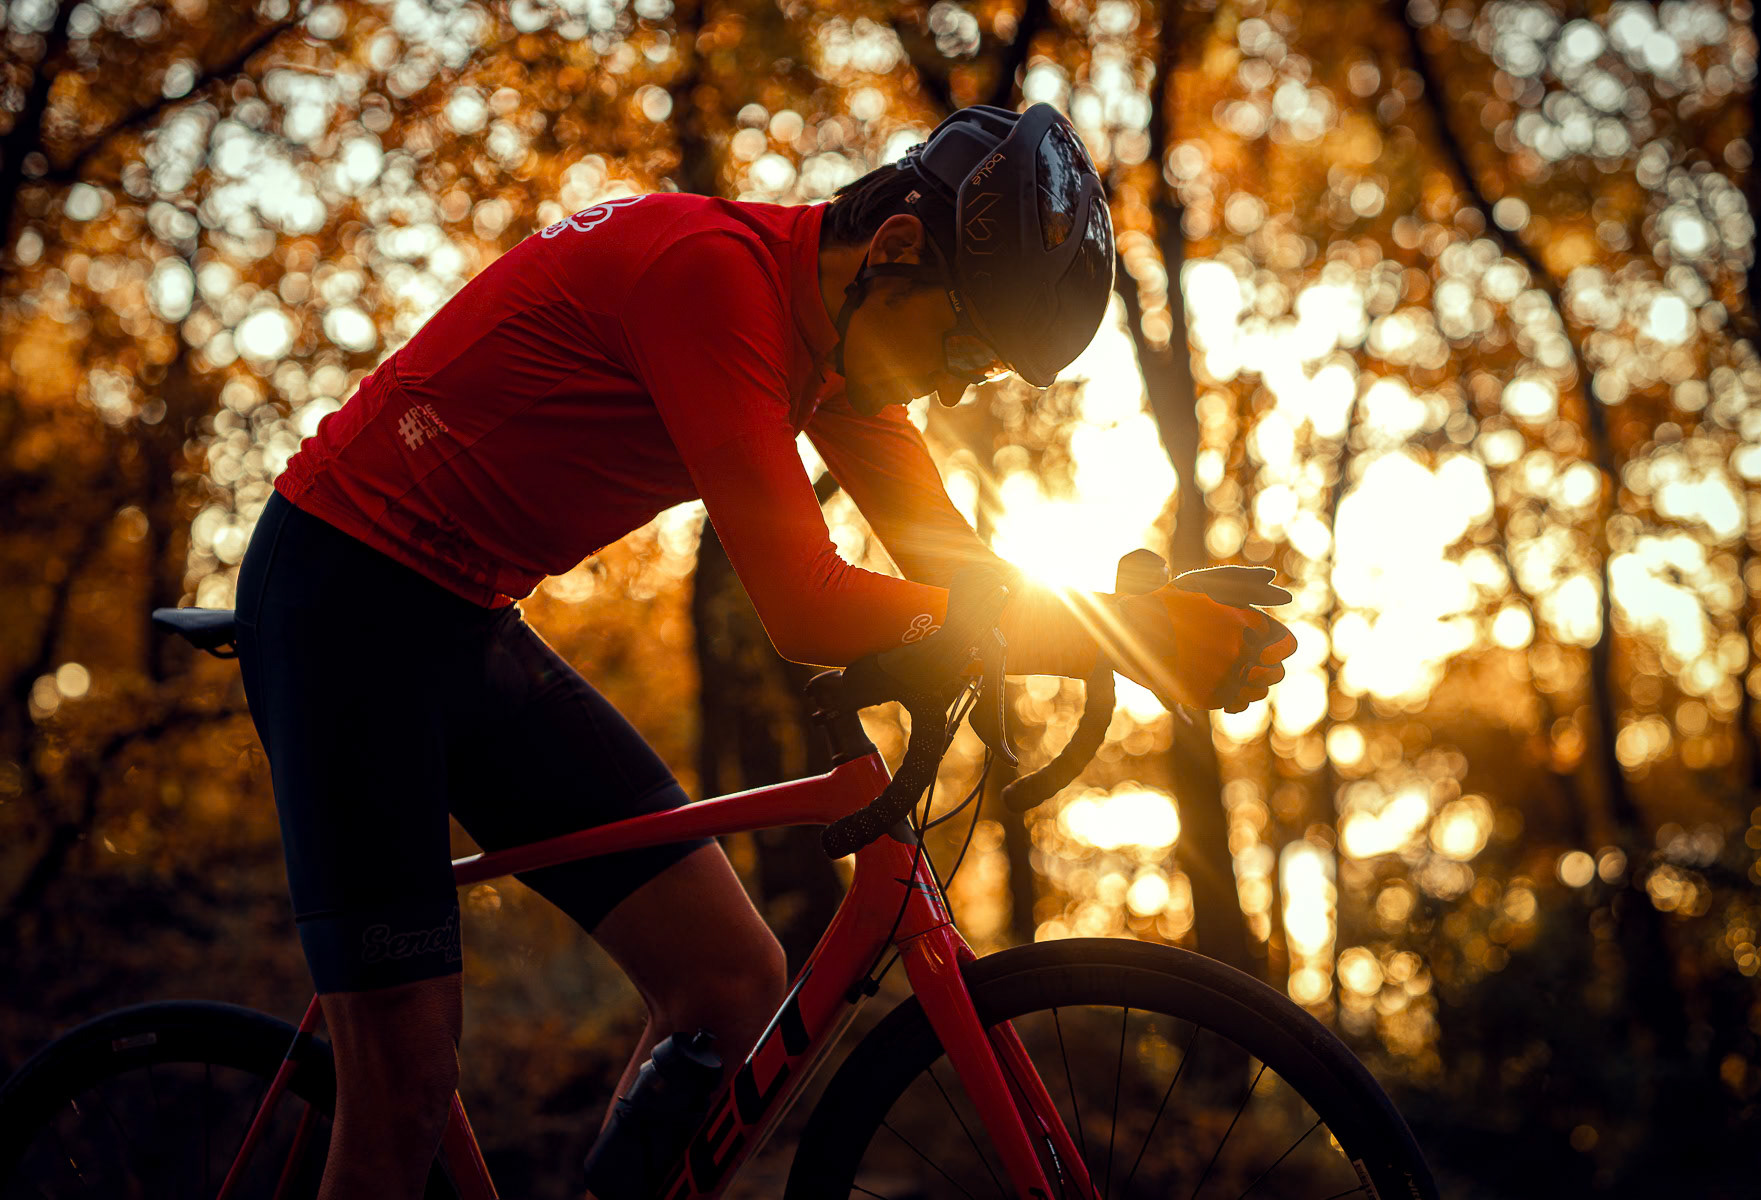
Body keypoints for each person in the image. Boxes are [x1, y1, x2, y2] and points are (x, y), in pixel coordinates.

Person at [233, 102, 1297, 1199]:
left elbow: (964, 577)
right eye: (964, 345)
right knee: (405, 1090)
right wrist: (1106, 638)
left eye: (979, 372)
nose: (951, 385)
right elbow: (809, 605)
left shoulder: (833, 349)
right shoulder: (711, 279)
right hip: (340, 598)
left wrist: (1125, 621)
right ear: (895, 246)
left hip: (463, 618)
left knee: (731, 982)